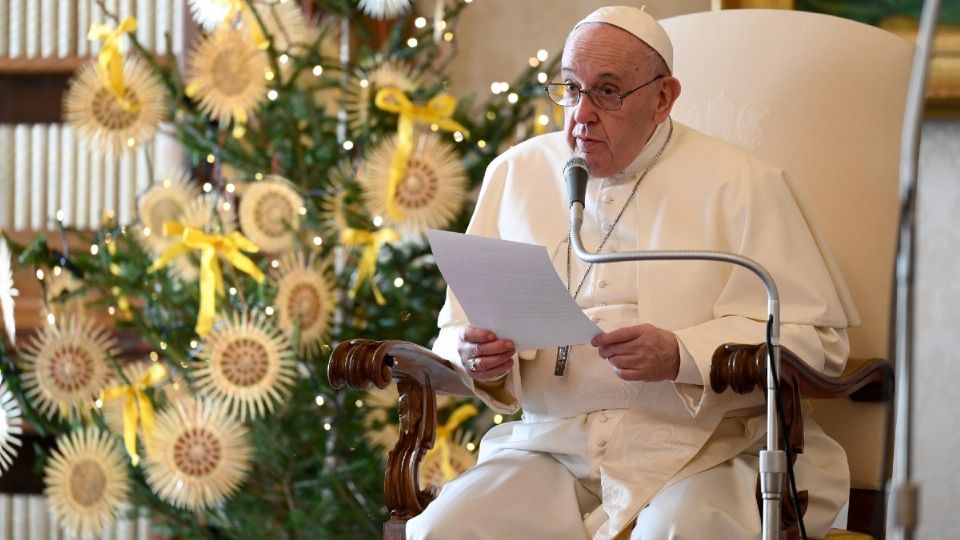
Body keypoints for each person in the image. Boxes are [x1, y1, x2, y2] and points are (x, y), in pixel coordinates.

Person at [408, 6, 857, 539]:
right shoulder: (516, 173)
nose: (581, 114)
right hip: (555, 447)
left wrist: (682, 354)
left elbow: (818, 343)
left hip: (709, 447)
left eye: (608, 91)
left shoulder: (743, 184)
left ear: (663, 98)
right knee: (449, 528)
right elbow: (454, 327)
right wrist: (474, 355)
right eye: (571, 88)